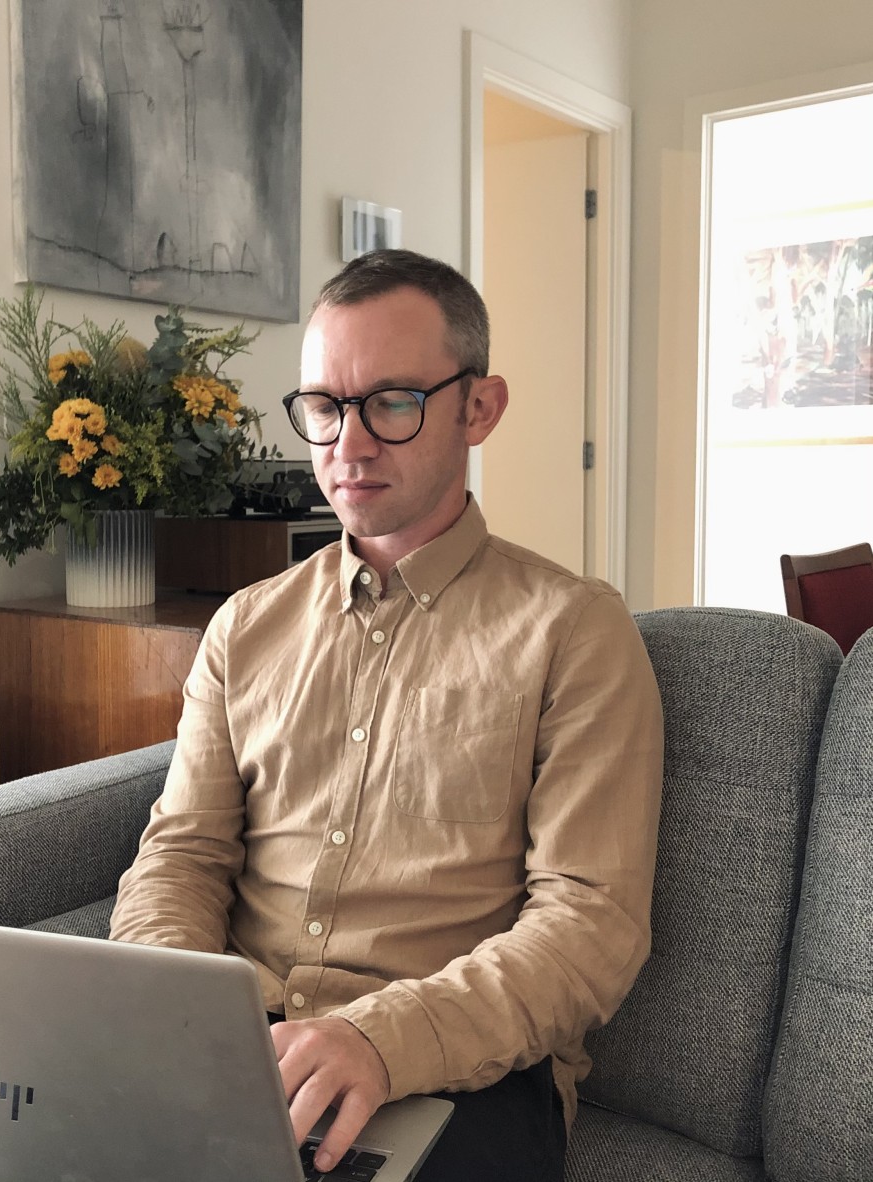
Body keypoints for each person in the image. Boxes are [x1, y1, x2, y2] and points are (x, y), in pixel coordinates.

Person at [109, 248, 664, 1180]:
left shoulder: (574, 630)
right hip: (238, 1044)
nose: (348, 445)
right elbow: (184, 853)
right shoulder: (244, 627)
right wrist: (175, 1001)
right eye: (324, 406)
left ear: (477, 408)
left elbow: (589, 924)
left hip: (453, 1070)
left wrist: (378, 1039)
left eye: (393, 403)